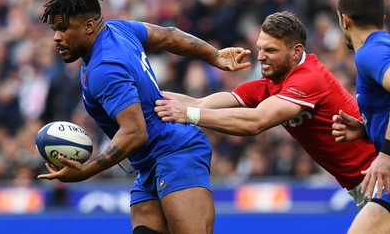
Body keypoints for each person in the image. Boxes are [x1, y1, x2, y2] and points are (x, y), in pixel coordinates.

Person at [37, 0, 251, 234]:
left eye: (63, 28)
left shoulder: (105, 68)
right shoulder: (117, 30)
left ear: (89, 26)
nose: (56, 37)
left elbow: (136, 132)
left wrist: (87, 170)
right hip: (149, 162)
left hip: (176, 151)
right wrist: (213, 55)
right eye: (54, 29)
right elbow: (169, 35)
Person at [154, 11, 378, 209]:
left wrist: (188, 116)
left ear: (296, 52)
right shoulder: (269, 84)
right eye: (259, 48)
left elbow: (256, 122)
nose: (260, 56)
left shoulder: (309, 78)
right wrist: (148, 95)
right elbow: (199, 103)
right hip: (363, 184)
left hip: (380, 175)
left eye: (270, 50)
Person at [333, 0, 390, 233]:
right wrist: (367, 128)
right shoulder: (383, 47)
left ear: (345, 20)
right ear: (382, 17)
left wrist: (386, 155)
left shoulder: (370, 53)